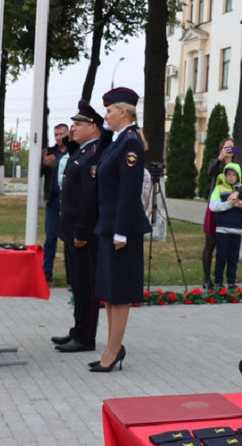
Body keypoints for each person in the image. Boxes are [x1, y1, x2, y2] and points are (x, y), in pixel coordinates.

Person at [91, 87, 151, 372]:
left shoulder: (130, 142)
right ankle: (112, 346)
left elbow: (129, 190)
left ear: (123, 111)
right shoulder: (117, 140)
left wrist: (121, 232)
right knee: (109, 290)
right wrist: (104, 132)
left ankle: (114, 350)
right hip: (108, 224)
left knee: (120, 291)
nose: (106, 116)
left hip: (121, 228)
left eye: (109, 111)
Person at [51, 101, 104, 353]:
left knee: (87, 285)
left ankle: (86, 337)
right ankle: (77, 329)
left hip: (83, 231)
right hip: (70, 228)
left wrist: (82, 230)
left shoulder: (95, 153)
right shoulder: (82, 151)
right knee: (77, 284)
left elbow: (89, 197)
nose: (73, 127)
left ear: (93, 127)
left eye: (78, 124)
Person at [201, 138, 238, 289]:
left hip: (231, 209)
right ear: (221, 148)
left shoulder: (236, 166)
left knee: (225, 246)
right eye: (226, 147)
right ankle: (206, 278)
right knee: (210, 243)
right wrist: (221, 158)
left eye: (232, 147)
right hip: (215, 208)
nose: (229, 149)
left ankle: (221, 279)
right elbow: (210, 173)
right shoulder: (215, 162)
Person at [209, 163, 242, 289]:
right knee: (221, 256)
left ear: (238, 176)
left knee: (233, 257)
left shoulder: (241, 191)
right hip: (222, 228)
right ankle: (218, 281)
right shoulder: (219, 189)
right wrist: (229, 204)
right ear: (225, 175)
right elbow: (213, 206)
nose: (231, 177)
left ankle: (231, 281)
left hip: (237, 229)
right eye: (229, 174)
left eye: (234, 175)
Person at [40, 123, 69, 281]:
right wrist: (43, 164)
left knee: (69, 237)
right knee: (50, 236)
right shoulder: (49, 152)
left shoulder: (75, 150)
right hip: (53, 200)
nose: (59, 138)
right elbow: (37, 173)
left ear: (68, 134)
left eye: (61, 134)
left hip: (70, 201)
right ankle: (46, 270)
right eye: (56, 134)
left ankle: (71, 273)